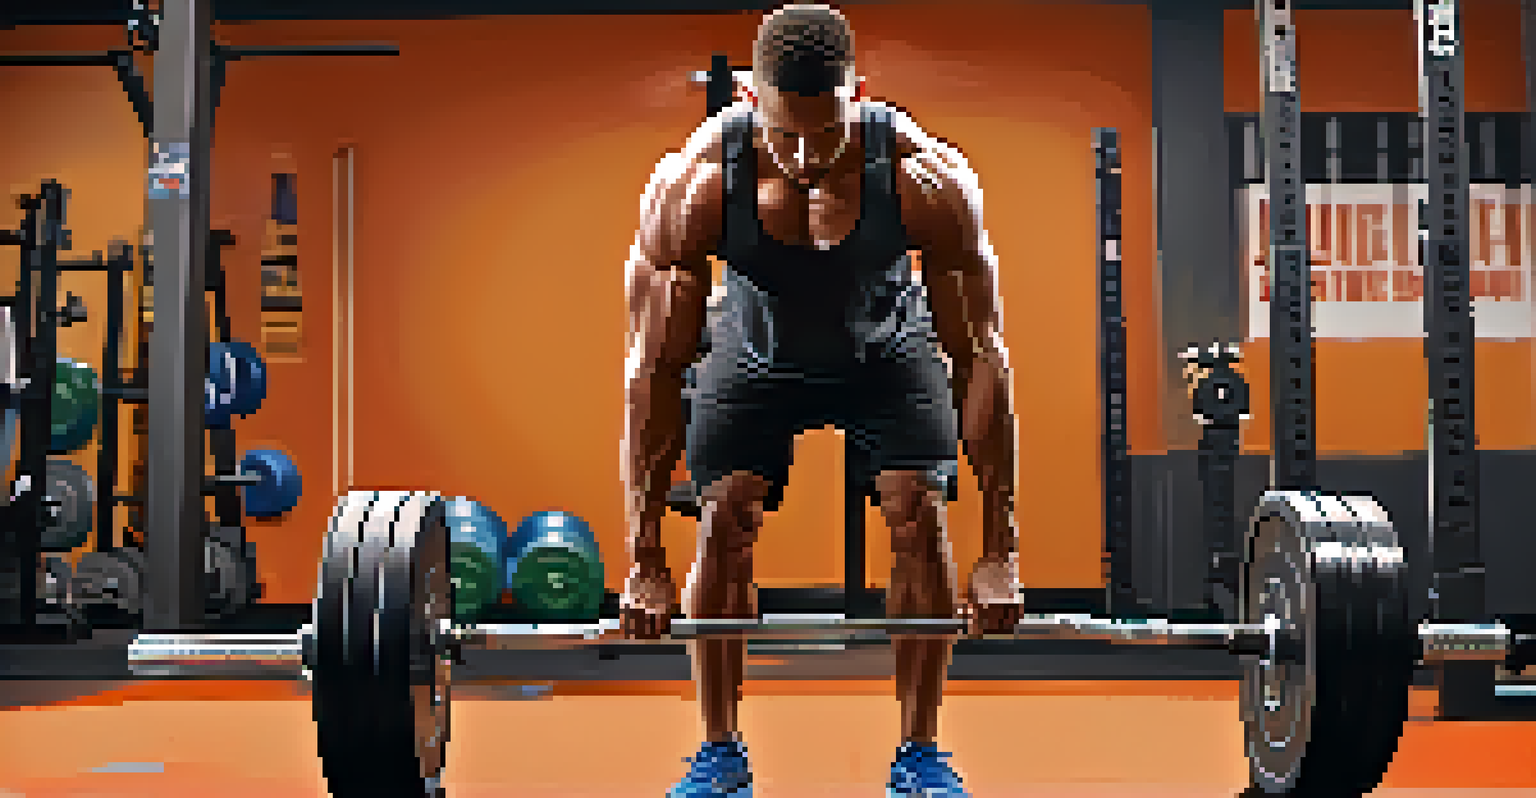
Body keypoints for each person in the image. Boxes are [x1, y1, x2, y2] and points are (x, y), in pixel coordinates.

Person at [619, 4, 1022, 796]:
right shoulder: (695, 186)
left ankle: (920, 753)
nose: (804, 158)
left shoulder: (926, 179)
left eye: (826, 132)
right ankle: (718, 752)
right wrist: (643, 558)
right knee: (724, 514)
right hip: (755, 347)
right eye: (784, 133)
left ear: (858, 95)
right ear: (749, 101)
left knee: (917, 508)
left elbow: (980, 357)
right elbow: (653, 372)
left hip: (886, 348)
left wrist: (1001, 551)